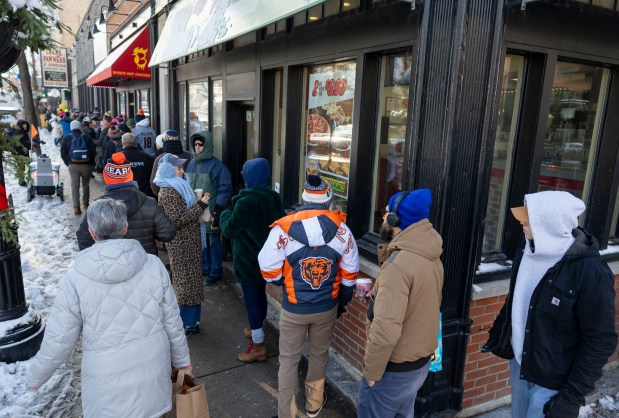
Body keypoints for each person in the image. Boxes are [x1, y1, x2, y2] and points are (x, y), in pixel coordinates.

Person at [28, 198, 192, 418]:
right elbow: (172, 320)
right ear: (125, 228)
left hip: (106, 384)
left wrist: (36, 378)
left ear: (92, 232)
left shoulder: (75, 278)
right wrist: (183, 362)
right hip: (152, 370)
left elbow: (59, 339)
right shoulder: (153, 265)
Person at [482, 191, 617, 418]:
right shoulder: (526, 253)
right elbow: (517, 299)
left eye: (529, 217)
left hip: (553, 383)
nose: (522, 221)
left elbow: (600, 339)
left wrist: (572, 396)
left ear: (550, 222)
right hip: (520, 366)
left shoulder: (590, 272)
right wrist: (501, 332)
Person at [258, 174, 359, 418]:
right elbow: (350, 274)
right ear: (328, 200)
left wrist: (288, 282)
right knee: (319, 356)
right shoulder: (343, 231)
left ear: (304, 198)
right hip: (326, 306)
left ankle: (287, 412)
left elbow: (268, 270)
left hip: (295, 307)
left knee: (289, 361)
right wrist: (341, 302)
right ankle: (313, 406)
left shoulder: (283, 229)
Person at [358, 189, 444, 418]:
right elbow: (419, 303)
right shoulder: (430, 253)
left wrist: (371, 372)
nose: (384, 217)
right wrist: (378, 298)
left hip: (393, 370)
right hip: (418, 364)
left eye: (387, 213)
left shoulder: (398, 266)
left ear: (396, 219)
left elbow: (385, 331)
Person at [220, 158, 285, 363]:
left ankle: (258, 345)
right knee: (260, 295)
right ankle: (256, 328)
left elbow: (229, 229)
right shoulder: (273, 198)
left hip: (248, 261)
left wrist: (225, 213)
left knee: (251, 301)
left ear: (250, 176)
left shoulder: (246, 201)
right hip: (269, 260)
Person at [76, 152, 176, 255]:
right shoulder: (150, 203)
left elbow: (84, 239)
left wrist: (100, 259)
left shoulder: (96, 207)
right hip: (145, 264)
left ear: (107, 178)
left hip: (112, 267)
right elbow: (168, 233)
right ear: (130, 176)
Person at [155, 153, 209, 335]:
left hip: (188, 241)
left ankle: (190, 320)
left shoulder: (177, 185)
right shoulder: (169, 190)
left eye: (181, 167)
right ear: (168, 170)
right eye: (178, 168)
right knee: (186, 282)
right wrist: (200, 206)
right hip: (181, 243)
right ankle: (187, 323)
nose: (182, 170)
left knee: (189, 281)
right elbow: (176, 221)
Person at [186, 131, 232, 285]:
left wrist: (218, 208)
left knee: (213, 241)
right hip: (195, 210)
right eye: (196, 144)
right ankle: (204, 267)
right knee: (200, 241)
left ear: (207, 146)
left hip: (211, 211)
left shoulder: (217, 166)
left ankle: (215, 270)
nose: (197, 147)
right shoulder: (192, 163)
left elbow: (225, 188)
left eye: (201, 144)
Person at [60, 120, 96, 214]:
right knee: (85, 184)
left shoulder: (67, 138)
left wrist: (68, 162)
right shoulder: (87, 137)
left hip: (73, 165)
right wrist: (91, 163)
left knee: (75, 186)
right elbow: (93, 151)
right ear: (80, 127)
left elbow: (63, 152)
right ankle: (86, 203)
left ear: (71, 128)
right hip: (86, 165)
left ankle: (76, 207)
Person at [150, 130, 192, 197]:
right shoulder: (189, 156)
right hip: (187, 196)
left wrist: (161, 195)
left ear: (164, 141)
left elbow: (154, 183)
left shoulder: (160, 159)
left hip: (166, 198)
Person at [120, 133, 155, 198]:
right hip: (145, 194)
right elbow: (153, 177)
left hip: (124, 195)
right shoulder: (148, 158)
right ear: (136, 143)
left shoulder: (117, 158)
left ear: (122, 144)